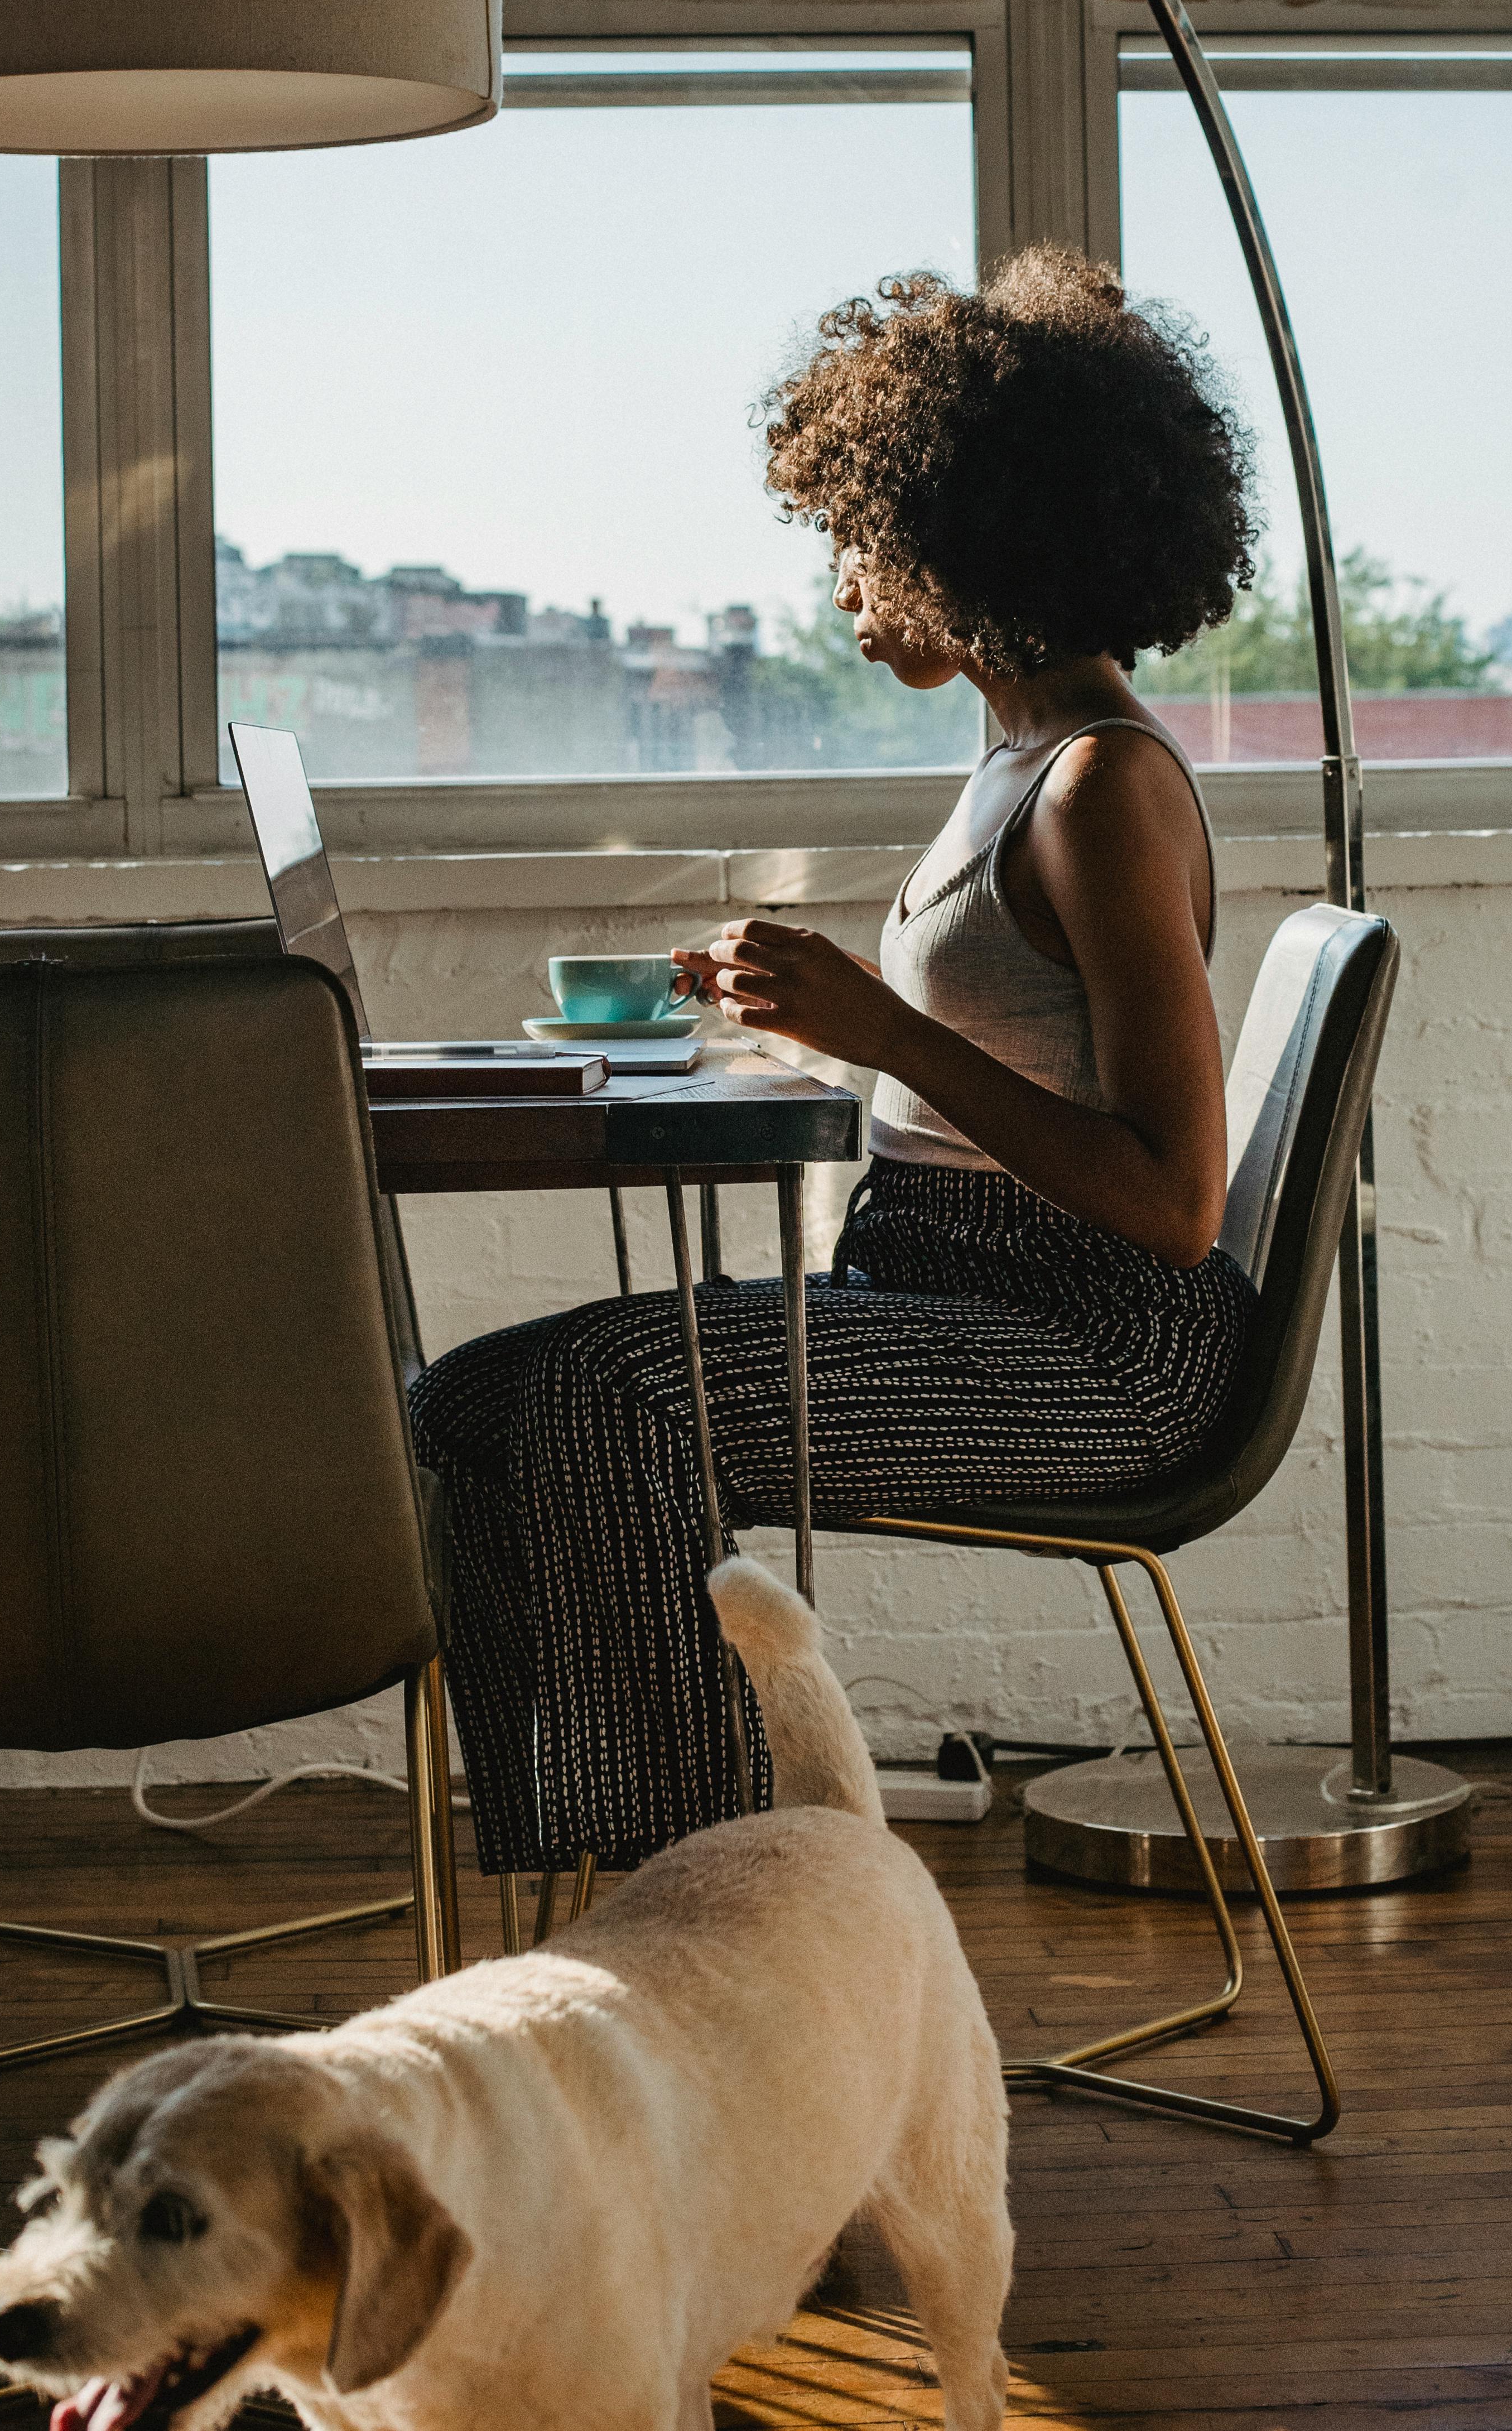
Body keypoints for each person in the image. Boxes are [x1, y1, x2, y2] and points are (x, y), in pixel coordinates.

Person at [410, 246, 1263, 1879]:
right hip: (953, 1292)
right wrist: (833, 1033)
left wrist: (880, 1027)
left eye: (862, 544)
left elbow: (1170, 1202)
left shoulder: (1099, 788)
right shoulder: (1015, 763)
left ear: (973, 541)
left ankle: (714, 1914)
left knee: (601, 1403)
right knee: (467, 1407)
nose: (847, 583)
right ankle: (574, 1886)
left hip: (1095, 1340)